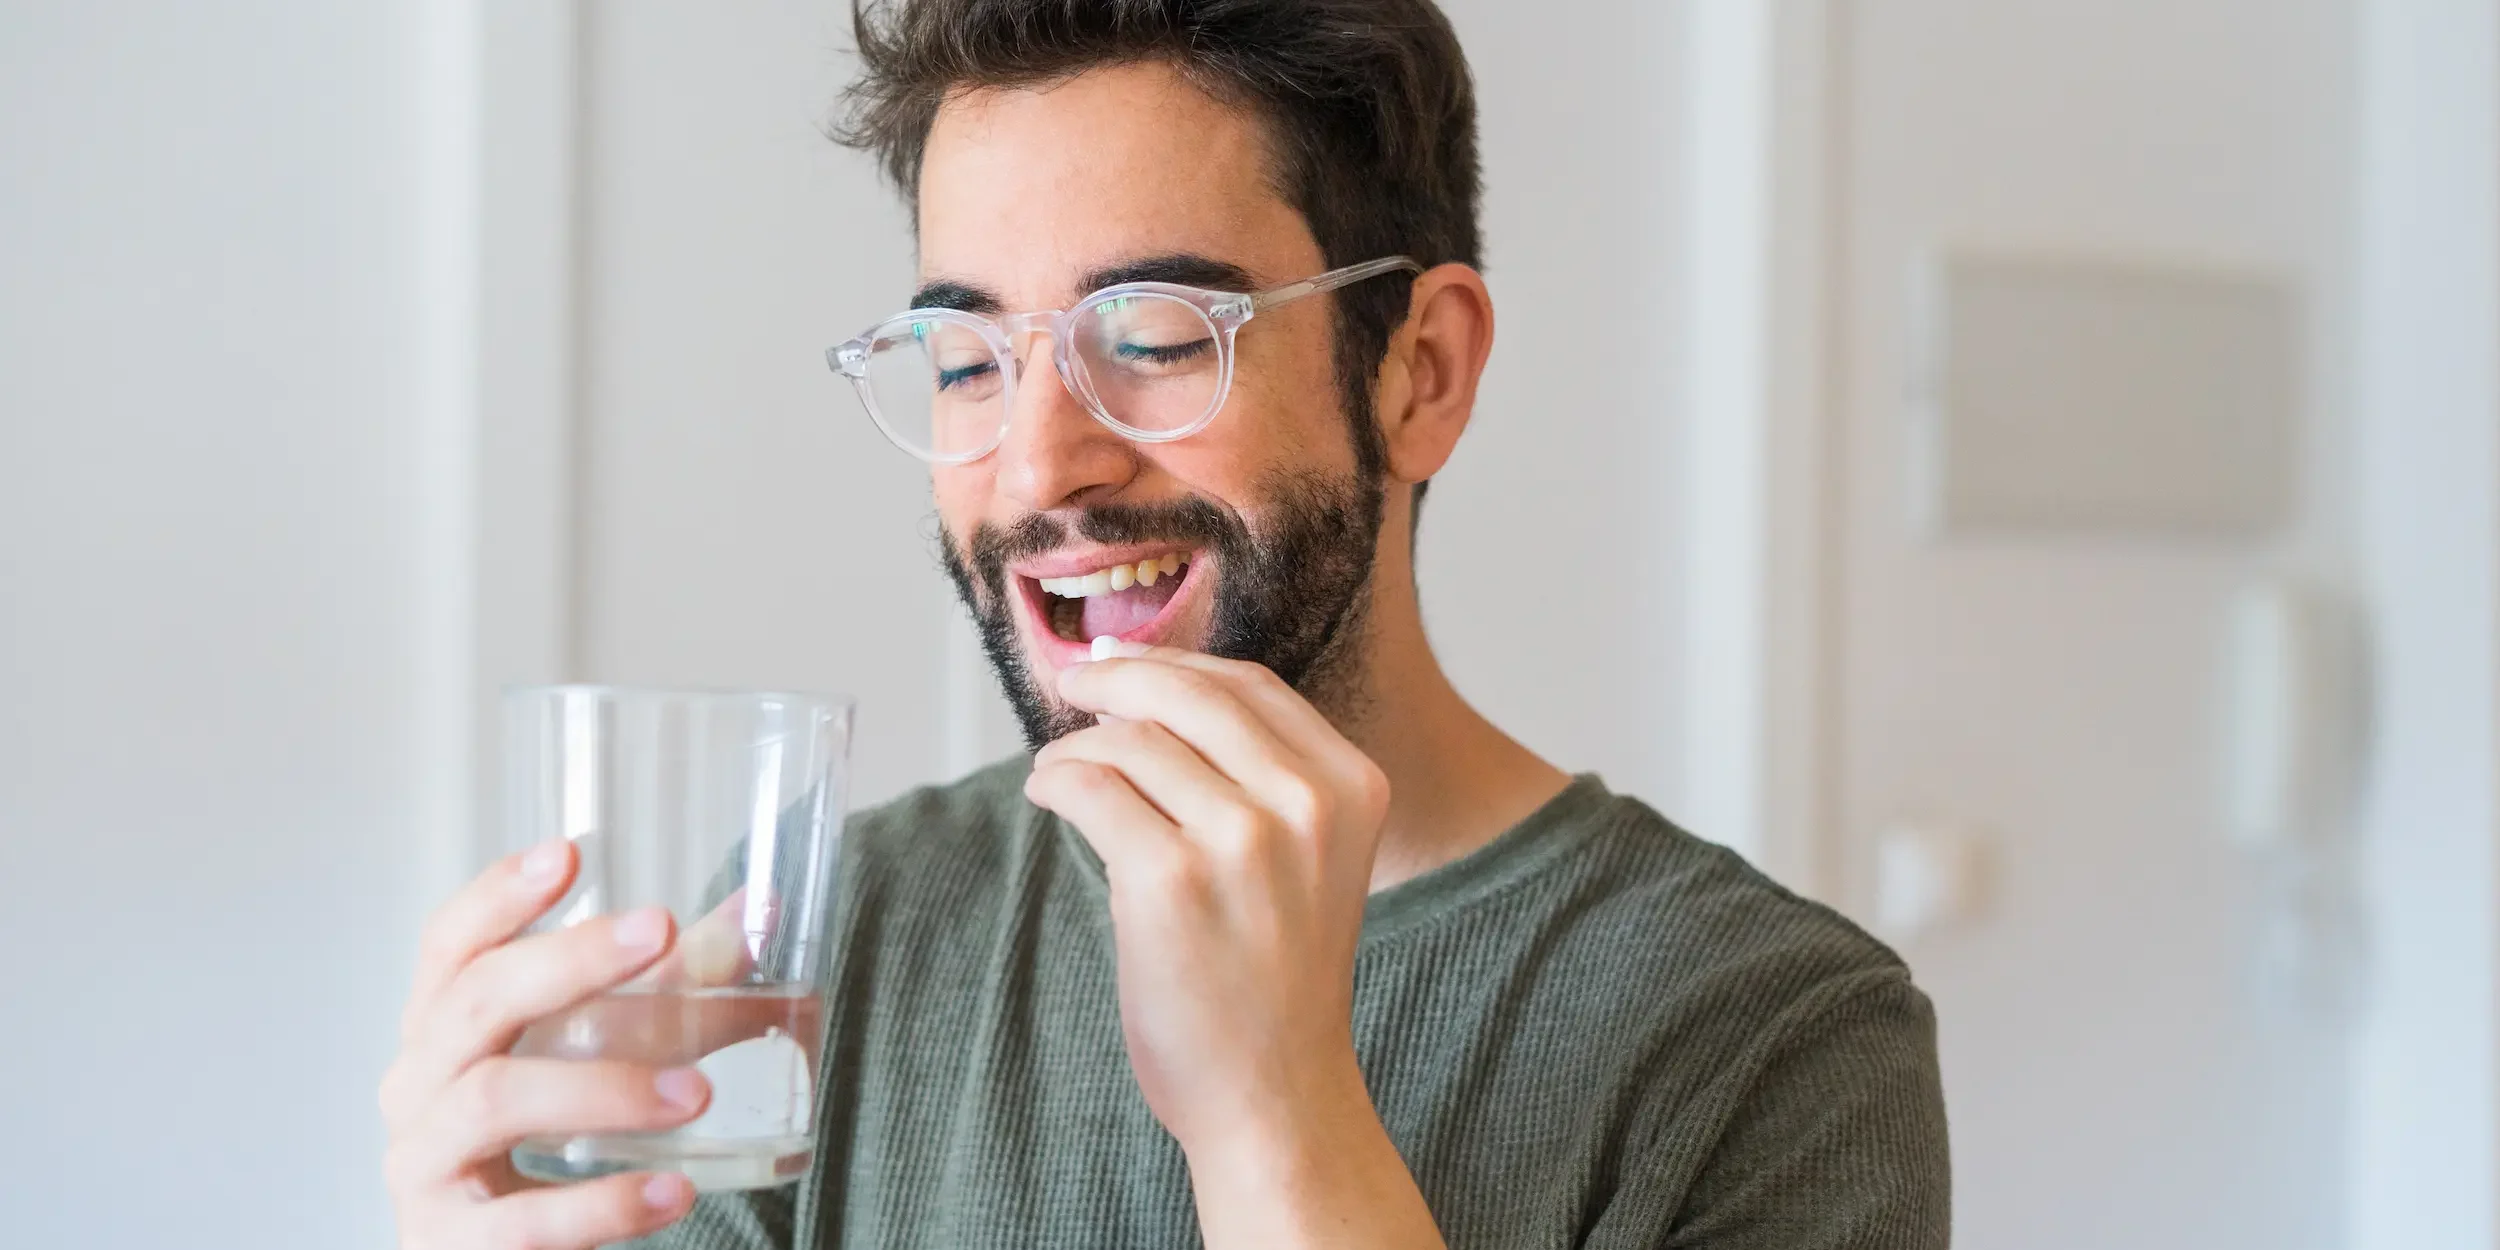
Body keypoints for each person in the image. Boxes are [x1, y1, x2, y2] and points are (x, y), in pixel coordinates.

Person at [377, 1, 1952, 1246]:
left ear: (1420, 371)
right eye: (969, 357)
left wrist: (1278, 1118)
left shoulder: (1775, 1038)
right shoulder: (830, 939)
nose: (1041, 465)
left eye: (1152, 337)